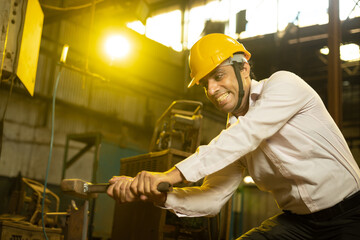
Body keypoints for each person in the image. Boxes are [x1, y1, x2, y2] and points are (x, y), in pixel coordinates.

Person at [107, 33, 360, 239]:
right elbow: (212, 198)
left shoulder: (285, 85)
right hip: (298, 224)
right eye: (205, 84)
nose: (212, 89)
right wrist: (160, 195)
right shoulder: (231, 138)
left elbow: (248, 133)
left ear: (244, 69)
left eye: (218, 76)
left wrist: (168, 175)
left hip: (350, 215)